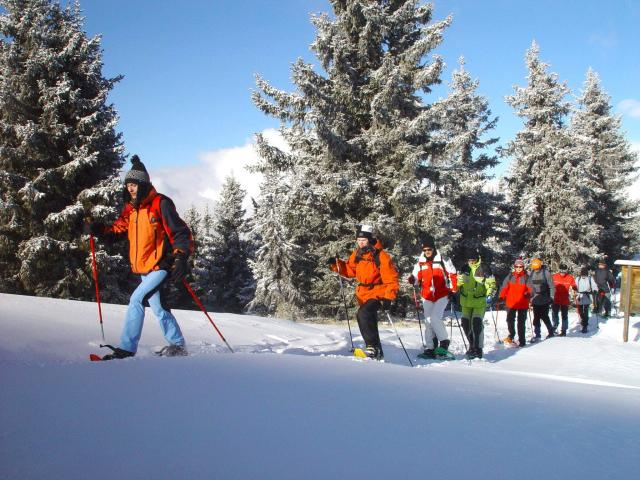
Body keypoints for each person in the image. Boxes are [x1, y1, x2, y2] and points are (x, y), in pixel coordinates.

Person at [88, 155, 193, 360]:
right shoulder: (131, 210)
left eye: (134, 184)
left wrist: (180, 257)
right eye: (128, 184)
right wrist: (99, 229)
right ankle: (178, 345)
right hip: (143, 268)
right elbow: (117, 230)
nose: (130, 188)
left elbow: (180, 231)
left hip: (160, 265)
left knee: (136, 299)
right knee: (159, 308)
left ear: (143, 184)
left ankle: (127, 348)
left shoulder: (160, 204)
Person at [330, 224, 399, 359]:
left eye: (363, 240)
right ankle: (377, 352)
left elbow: (391, 278)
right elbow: (350, 271)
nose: (360, 243)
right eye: (358, 241)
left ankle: (372, 347)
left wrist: (388, 297)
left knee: (363, 313)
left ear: (370, 239)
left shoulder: (381, 256)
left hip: (379, 292)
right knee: (369, 320)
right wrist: (336, 264)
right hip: (363, 293)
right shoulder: (358, 254)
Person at [407, 234, 457, 359]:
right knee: (428, 322)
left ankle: (444, 343)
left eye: (429, 249)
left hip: (442, 294)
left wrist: (453, 290)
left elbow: (452, 274)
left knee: (434, 318)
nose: (427, 252)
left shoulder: (443, 260)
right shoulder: (421, 261)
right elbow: (416, 277)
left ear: (433, 248)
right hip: (427, 295)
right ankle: (430, 348)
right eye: (424, 250)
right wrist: (413, 279)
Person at [457, 249, 496, 359]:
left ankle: (478, 348)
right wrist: (454, 289)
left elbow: (491, 284)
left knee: (477, 323)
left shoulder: (484, 268)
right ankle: (472, 345)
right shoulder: (464, 268)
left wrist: (490, 295)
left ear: (477, 259)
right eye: (469, 260)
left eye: (473, 260)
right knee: (465, 324)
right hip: (465, 301)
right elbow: (458, 282)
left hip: (479, 301)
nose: (471, 262)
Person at [498, 258, 532, 347]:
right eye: (517, 266)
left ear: (523, 267)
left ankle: (522, 340)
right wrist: (501, 296)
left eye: (520, 266)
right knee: (509, 320)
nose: (519, 268)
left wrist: (529, 294)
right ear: (514, 267)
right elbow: (504, 287)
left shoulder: (526, 277)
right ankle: (511, 336)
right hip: (511, 303)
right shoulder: (510, 276)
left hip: (522, 303)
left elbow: (531, 289)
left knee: (521, 323)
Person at [528, 257, 555, 342]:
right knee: (536, 317)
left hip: (545, 298)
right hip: (535, 298)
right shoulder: (531, 273)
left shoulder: (546, 273)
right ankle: (537, 334)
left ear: (540, 266)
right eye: (534, 268)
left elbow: (551, 286)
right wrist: (530, 297)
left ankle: (551, 332)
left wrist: (552, 297)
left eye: (537, 268)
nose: (536, 270)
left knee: (544, 316)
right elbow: (529, 286)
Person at [551, 263, 577, 336]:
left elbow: (573, 284)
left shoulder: (570, 277)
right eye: (561, 271)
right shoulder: (554, 276)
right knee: (554, 313)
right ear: (559, 270)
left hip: (564, 299)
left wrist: (574, 287)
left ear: (566, 271)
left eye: (564, 271)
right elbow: (549, 284)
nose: (562, 273)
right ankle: (555, 325)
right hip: (555, 298)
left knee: (564, 315)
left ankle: (564, 330)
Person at [575, 266, 598, 333]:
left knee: (585, 311)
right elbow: (575, 285)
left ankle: (585, 326)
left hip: (587, 296)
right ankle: (583, 320)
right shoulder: (578, 279)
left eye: (585, 275)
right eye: (583, 275)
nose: (584, 276)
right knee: (580, 311)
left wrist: (595, 290)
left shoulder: (590, 279)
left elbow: (594, 286)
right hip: (580, 296)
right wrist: (574, 289)